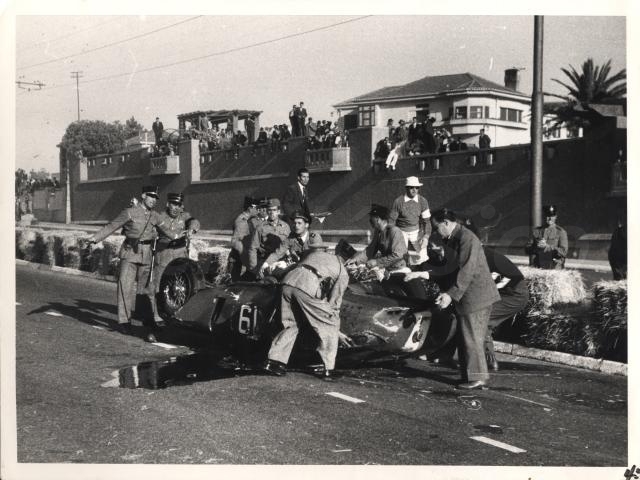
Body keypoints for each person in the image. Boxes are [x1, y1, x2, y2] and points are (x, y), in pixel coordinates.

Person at [406, 209, 499, 390]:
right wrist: (421, 273)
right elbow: (447, 268)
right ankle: (470, 376)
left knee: (472, 337)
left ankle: (477, 378)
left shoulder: (467, 238)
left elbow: (466, 270)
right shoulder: (454, 239)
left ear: (446, 223)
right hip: (468, 296)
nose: (435, 232)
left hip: (476, 296)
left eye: (436, 227)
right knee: (466, 336)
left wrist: (450, 294)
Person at [264, 236, 350, 380]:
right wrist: (332, 318)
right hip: (307, 286)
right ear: (347, 260)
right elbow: (334, 303)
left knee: (291, 324)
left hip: (288, 283)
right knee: (330, 324)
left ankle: (274, 362)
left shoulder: (317, 255)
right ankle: (329, 369)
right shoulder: (343, 271)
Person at [89, 186, 162, 333]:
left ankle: (147, 318)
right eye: (151, 196)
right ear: (143, 195)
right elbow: (113, 225)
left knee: (146, 289)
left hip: (147, 254)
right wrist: (95, 238)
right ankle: (124, 321)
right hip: (130, 252)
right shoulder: (130, 211)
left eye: (155, 198)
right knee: (125, 287)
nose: (153, 200)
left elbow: (166, 228)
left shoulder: (155, 215)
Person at [461, 218, 529, 371]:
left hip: (514, 293)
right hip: (507, 290)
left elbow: (499, 282)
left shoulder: (479, 253)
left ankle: (488, 361)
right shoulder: (477, 251)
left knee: (481, 318)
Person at [152, 192, 200, 324]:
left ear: (182, 206)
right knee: (159, 286)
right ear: (168, 204)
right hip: (164, 254)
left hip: (180, 255)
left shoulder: (184, 216)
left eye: (178, 205)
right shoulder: (160, 216)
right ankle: (157, 316)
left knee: (180, 286)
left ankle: (178, 315)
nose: (176, 208)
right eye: (173, 204)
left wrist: (192, 230)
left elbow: (194, 221)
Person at [345, 204, 407, 270]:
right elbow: (370, 250)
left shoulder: (394, 231)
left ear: (377, 219)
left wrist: (377, 262)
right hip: (386, 268)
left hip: (398, 269)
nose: (370, 222)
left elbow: (398, 256)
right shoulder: (378, 232)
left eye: (371, 219)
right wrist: (356, 260)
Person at [389, 176, 432, 262]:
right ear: (406, 188)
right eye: (411, 187)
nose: (414, 190)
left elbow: (426, 221)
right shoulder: (398, 202)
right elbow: (391, 221)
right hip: (401, 232)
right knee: (399, 258)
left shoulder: (423, 201)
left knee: (421, 258)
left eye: (417, 187)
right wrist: (394, 236)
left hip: (416, 232)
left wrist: (426, 237)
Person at [248, 198, 291, 279]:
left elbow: (288, 245)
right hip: (264, 261)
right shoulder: (260, 227)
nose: (272, 213)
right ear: (267, 211)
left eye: (274, 210)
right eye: (269, 210)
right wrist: (254, 268)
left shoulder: (286, 227)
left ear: (278, 211)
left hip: (281, 261)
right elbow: (253, 248)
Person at [525, 204, 568, 269]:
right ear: (544, 216)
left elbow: (564, 252)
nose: (550, 218)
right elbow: (527, 249)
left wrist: (547, 247)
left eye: (552, 216)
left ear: (556, 216)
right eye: (548, 216)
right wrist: (536, 247)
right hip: (538, 268)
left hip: (554, 269)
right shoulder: (536, 231)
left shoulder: (561, 232)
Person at [228, 197, 258, 281]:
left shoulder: (250, 219)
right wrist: (247, 259)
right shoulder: (242, 221)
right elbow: (236, 242)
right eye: (256, 208)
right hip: (238, 261)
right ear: (249, 208)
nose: (258, 210)